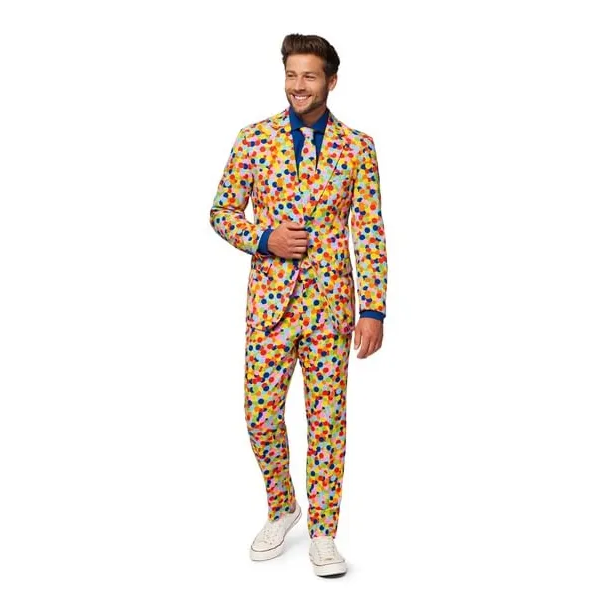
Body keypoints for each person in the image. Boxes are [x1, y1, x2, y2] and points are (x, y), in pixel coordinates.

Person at [209, 33, 388, 577]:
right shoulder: (253, 139)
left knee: (327, 422)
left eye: (309, 76)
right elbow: (221, 213)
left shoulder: (357, 147)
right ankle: (282, 505)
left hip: (331, 308)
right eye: (291, 74)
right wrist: (265, 239)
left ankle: (325, 533)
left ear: (331, 81)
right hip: (270, 308)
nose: (298, 85)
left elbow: (369, 232)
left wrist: (373, 310)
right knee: (260, 415)